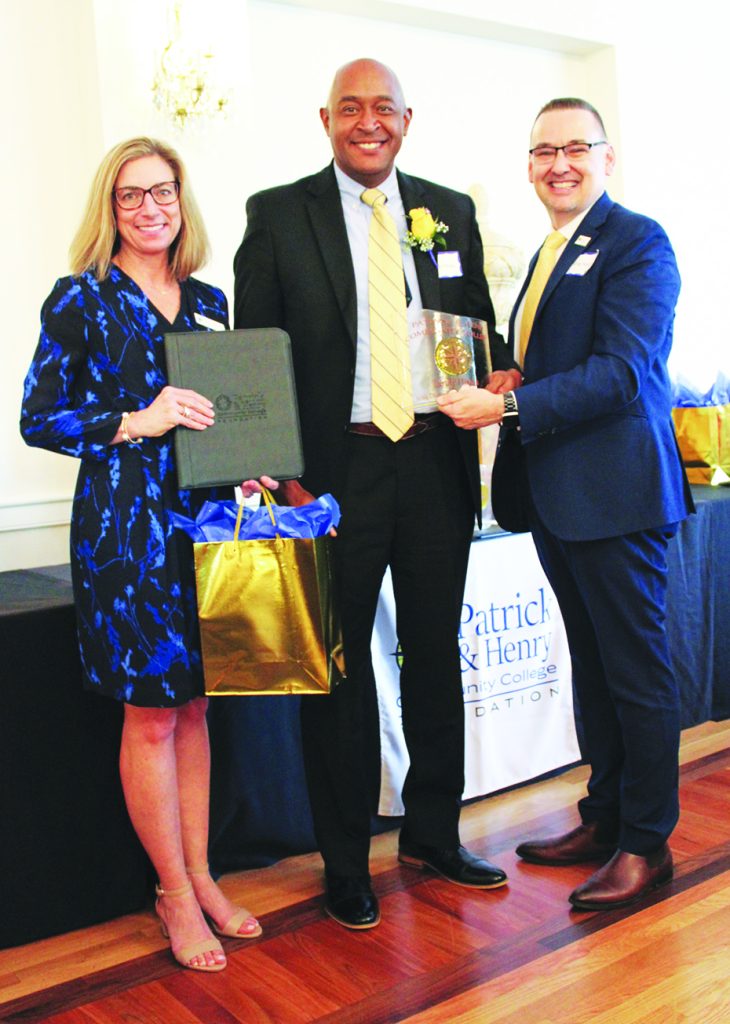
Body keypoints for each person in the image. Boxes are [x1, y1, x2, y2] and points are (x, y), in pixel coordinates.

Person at [233, 58, 520, 930]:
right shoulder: (278, 214)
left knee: (435, 654)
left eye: (383, 109)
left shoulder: (449, 211)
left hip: (433, 466)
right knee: (340, 671)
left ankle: (434, 832)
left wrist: (503, 365)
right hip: (329, 477)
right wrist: (278, 469)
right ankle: (347, 861)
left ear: (407, 119)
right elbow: (254, 351)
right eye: (351, 108)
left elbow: (473, 323)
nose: (369, 122)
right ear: (326, 118)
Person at [20, 137, 272, 971]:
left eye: (162, 191)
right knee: (152, 713)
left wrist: (248, 462)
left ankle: (200, 875)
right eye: (131, 196)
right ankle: (171, 893)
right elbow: (39, 417)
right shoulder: (80, 300)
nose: (149, 207)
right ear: (110, 207)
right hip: (125, 536)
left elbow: (226, 409)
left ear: (180, 198)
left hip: (204, 530)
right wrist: (137, 418)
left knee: (198, 705)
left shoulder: (207, 299)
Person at [437, 98, 694, 911]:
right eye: (543, 151)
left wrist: (508, 409)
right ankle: (606, 816)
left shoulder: (638, 242)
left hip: (617, 498)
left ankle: (647, 845)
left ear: (606, 158)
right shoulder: (552, 250)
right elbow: (557, 360)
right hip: (558, 501)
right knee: (595, 670)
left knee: (638, 675)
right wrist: (513, 374)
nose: (558, 164)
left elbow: (624, 372)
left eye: (575, 148)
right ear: (529, 165)